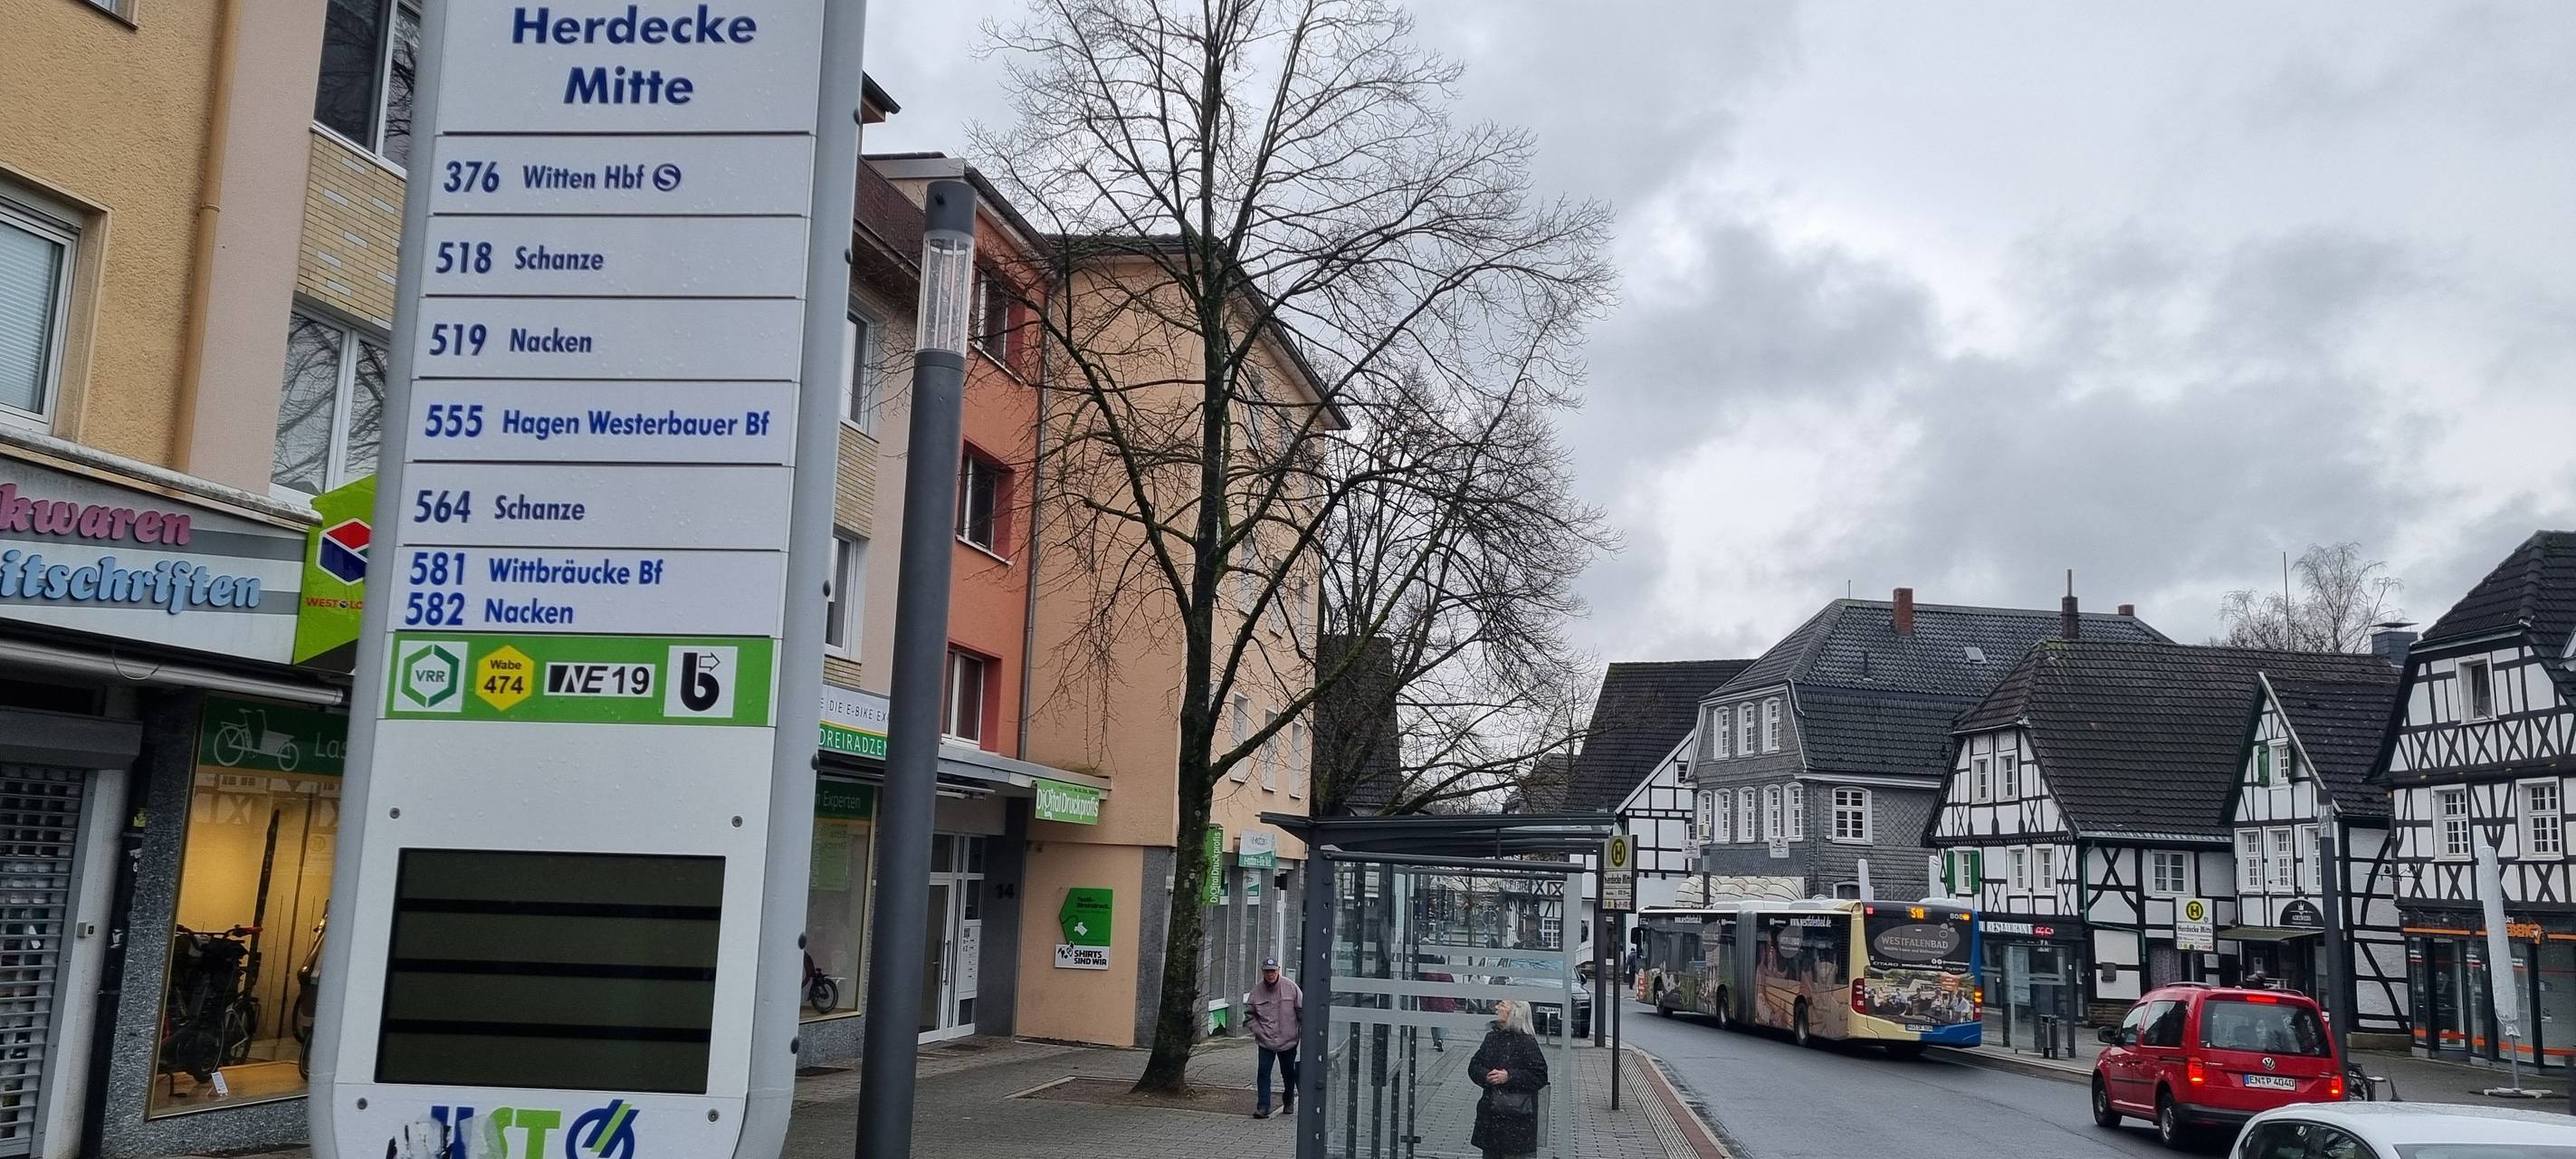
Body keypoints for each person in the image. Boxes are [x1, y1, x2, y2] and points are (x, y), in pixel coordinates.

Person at [1469, 1000, 1550, 1159]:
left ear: (1514, 1012)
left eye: (1502, 1005)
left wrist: (1509, 1077)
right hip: (1492, 1115)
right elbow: (1474, 1066)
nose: (1497, 1007)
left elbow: (1540, 1076)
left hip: (1516, 1119)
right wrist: (1486, 1075)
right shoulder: (1492, 1038)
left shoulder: (1527, 1042)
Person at [1245, 957, 1302, 1119]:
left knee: (1288, 1073)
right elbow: (1249, 1015)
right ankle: (1263, 1106)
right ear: (1263, 972)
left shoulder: (1291, 987)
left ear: (1278, 970)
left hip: (1288, 1040)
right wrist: (1257, 1031)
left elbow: (1302, 1011)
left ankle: (1289, 1100)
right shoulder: (1256, 991)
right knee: (1263, 1073)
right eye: (1267, 971)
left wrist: (1303, 1033)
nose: (1270, 974)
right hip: (1265, 1041)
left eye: (1273, 970)